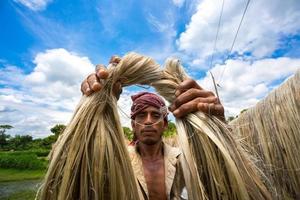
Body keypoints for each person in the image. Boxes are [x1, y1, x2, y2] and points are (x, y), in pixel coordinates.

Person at [81, 56, 225, 200]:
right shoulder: (117, 160)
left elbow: (218, 182)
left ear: (165, 124)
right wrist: (95, 101)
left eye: (156, 115)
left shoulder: (183, 159)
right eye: (141, 115)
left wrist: (218, 130)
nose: (148, 121)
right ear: (133, 125)